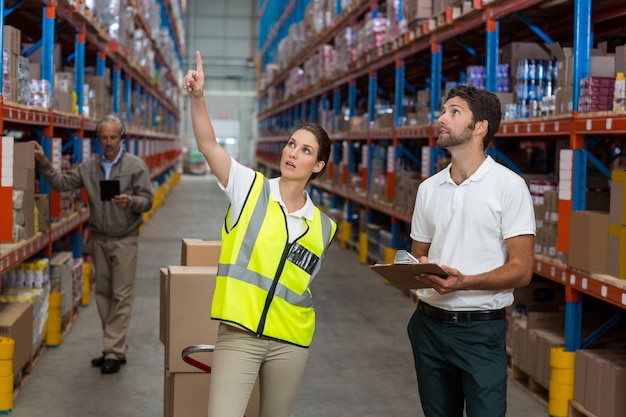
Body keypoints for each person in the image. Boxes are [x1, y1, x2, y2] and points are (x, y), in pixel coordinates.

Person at [183, 51, 337, 417]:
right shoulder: (249, 188)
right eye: (290, 144)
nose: (292, 153)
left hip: (291, 342)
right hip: (240, 337)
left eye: (305, 150)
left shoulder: (325, 226)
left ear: (318, 166)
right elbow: (208, 145)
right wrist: (198, 98)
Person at [407, 85, 536, 417]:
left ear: (480, 127)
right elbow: (418, 253)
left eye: (454, 112)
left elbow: (522, 270)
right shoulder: (428, 189)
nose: (441, 118)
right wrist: (415, 268)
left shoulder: (509, 186)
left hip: (481, 331)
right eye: (443, 110)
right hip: (428, 328)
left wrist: (464, 282)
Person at [32, 114, 153, 374]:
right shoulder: (89, 167)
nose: (109, 143)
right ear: (98, 140)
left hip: (125, 239)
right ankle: (113, 347)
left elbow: (148, 200)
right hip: (99, 238)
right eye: (104, 138)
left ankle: (113, 351)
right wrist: (43, 163)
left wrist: (130, 201)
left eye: (113, 137)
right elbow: (62, 184)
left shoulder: (136, 166)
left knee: (122, 296)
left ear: (122, 138)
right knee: (103, 294)